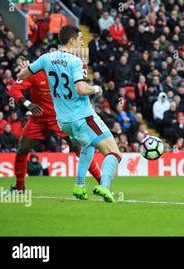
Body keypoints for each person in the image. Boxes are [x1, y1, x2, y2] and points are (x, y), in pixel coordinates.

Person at [17, 25, 121, 203]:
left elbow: (22, 75)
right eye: (80, 39)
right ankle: (105, 186)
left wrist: (26, 66)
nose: (82, 42)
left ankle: (79, 187)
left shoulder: (46, 58)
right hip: (83, 117)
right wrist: (96, 88)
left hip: (63, 121)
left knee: (88, 146)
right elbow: (81, 89)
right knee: (114, 153)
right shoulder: (76, 62)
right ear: (71, 40)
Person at [7, 65, 102, 192]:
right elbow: (14, 90)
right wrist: (28, 104)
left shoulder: (66, 70)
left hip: (60, 118)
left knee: (77, 148)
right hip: (38, 118)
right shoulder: (34, 73)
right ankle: (20, 187)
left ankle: (103, 183)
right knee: (22, 149)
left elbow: (79, 85)